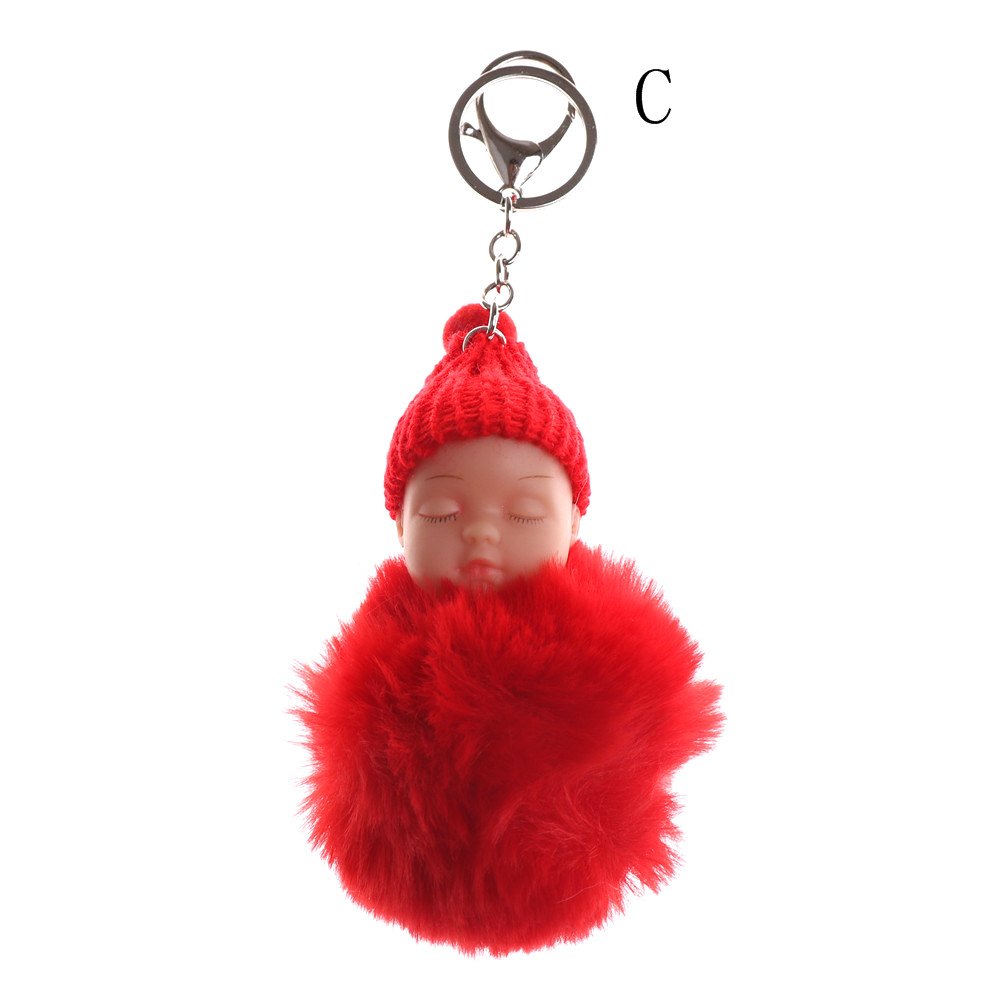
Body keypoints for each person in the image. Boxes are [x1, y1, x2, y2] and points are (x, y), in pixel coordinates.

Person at [297, 304, 723, 956]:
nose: (480, 533)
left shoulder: (617, 677)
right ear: (400, 527)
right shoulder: (370, 695)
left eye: (524, 514)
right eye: (442, 512)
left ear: (574, 524)